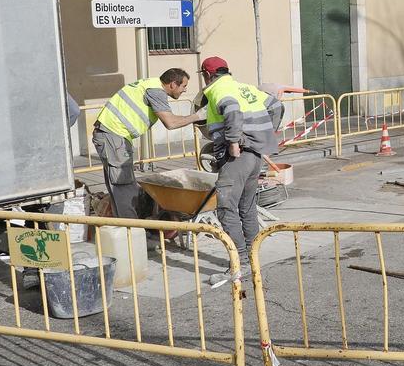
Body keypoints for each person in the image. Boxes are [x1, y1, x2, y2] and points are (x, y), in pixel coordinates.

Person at [199, 57, 278, 281]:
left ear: (207, 74)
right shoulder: (243, 87)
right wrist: (264, 135)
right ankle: (254, 259)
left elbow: (231, 109)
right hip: (254, 155)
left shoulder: (216, 89)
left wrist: (233, 142)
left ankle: (239, 262)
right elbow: (276, 106)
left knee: (226, 208)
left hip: (239, 155)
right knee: (247, 207)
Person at [92, 69, 203, 218]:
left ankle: (124, 230)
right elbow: (170, 123)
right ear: (172, 84)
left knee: (117, 186)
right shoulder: (156, 92)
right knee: (124, 187)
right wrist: (198, 116)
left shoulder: (149, 84)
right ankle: (133, 232)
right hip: (113, 135)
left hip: (112, 135)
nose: (185, 90)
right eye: (183, 86)